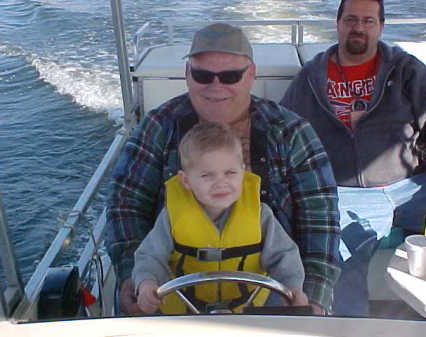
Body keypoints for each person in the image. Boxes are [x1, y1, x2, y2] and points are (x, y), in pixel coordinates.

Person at [106, 22, 341, 315]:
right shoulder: (158, 127)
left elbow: (320, 218)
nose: (216, 86)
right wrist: (134, 279)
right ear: (187, 75)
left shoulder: (291, 133)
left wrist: (313, 298)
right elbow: (124, 206)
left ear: (251, 75)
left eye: (230, 76)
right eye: (203, 75)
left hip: (267, 299)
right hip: (171, 300)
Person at [280, 0, 426, 316]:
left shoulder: (407, 70)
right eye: (350, 19)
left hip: (413, 187)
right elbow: (283, 133)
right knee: (340, 262)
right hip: (348, 193)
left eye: (368, 20)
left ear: (381, 27)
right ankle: (348, 329)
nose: (358, 27)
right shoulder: (310, 77)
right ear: (338, 23)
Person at [132, 121, 308, 314]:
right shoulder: (171, 217)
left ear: (243, 172)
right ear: (186, 180)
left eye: (230, 173)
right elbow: (150, 256)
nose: (220, 183)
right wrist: (146, 283)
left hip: (246, 314)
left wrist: (292, 287)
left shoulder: (261, 215)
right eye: (207, 175)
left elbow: (284, 255)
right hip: (184, 315)